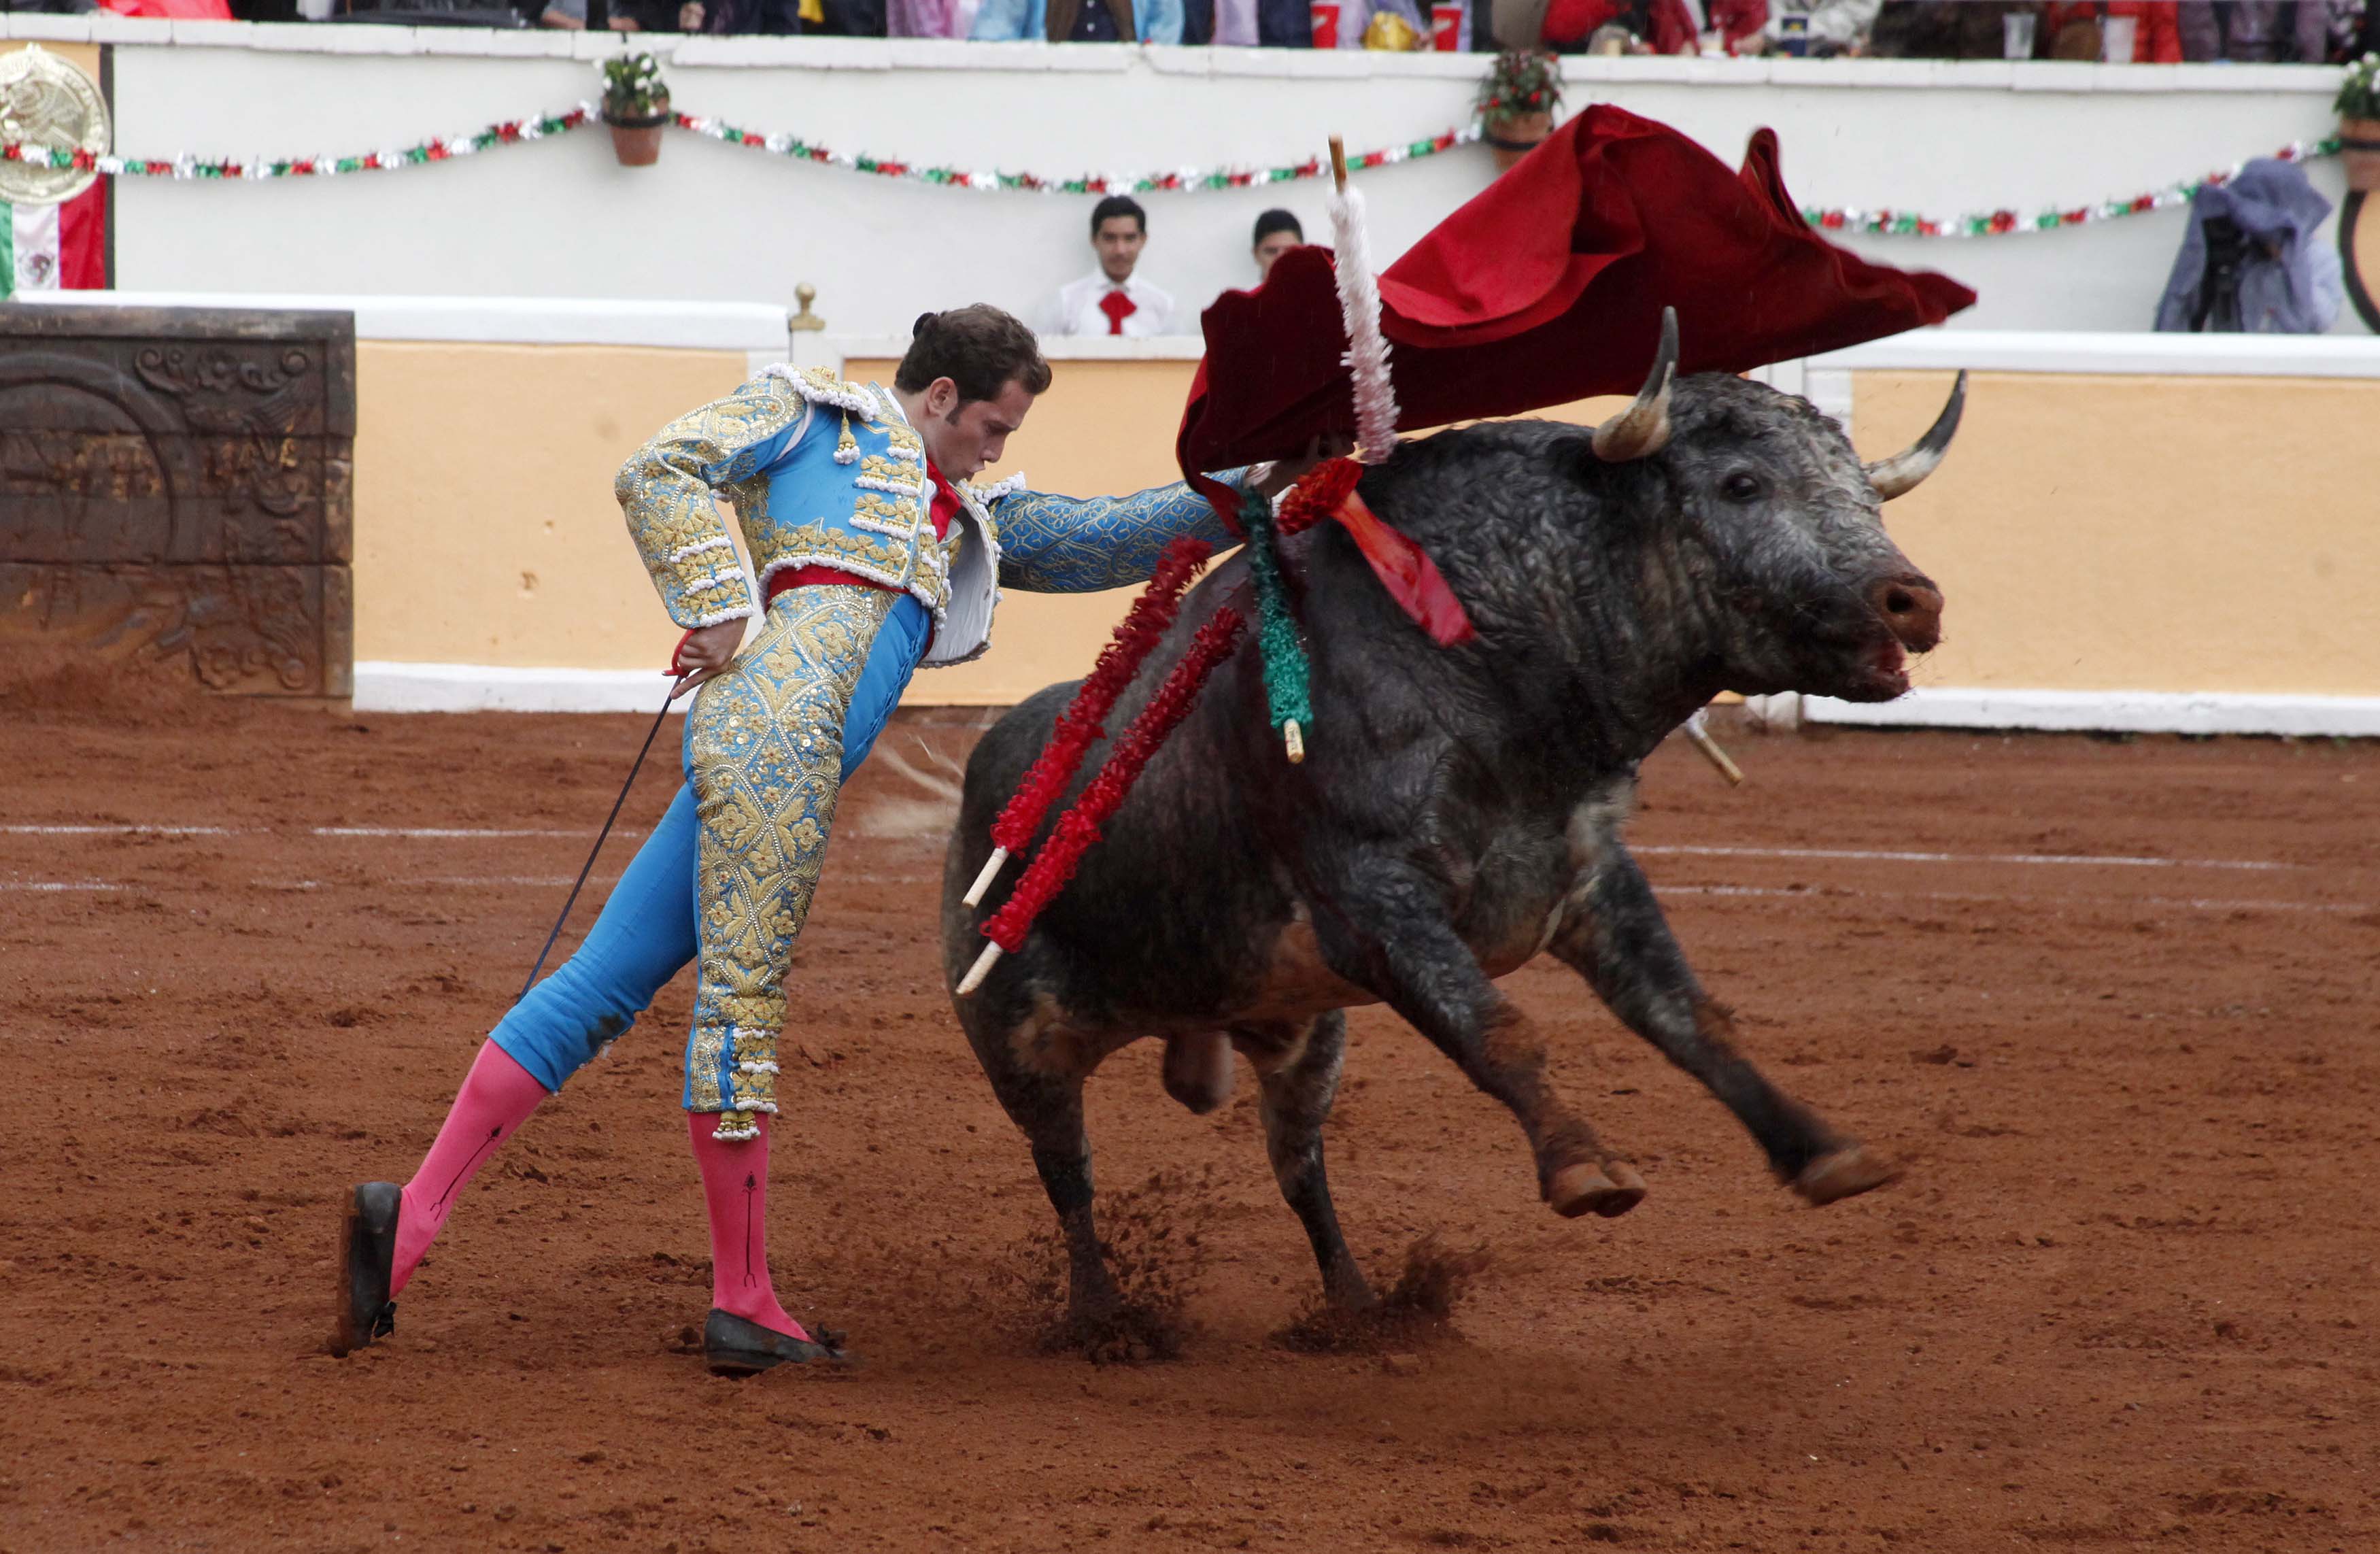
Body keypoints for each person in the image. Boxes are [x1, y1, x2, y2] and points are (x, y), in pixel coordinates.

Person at [337, 307, 1296, 1375]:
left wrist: (1259, 486)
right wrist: (716, 602)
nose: (997, 448)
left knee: (608, 978)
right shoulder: (812, 415)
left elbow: (1108, 535)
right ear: (939, 397)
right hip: (778, 745)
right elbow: (660, 467)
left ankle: (408, 1221)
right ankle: (741, 1301)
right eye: (992, 426)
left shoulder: (963, 510)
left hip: (769, 753)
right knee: (739, 1005)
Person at [2155, 157, 2342, 334]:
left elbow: (2323, 319)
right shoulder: (2239, 247)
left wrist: (2288, 258)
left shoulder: (2319, 255)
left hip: (2291, 361)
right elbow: (2189, 301)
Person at [1042, 196, 1177, 337]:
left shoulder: (1164, 306)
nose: (1120, 250)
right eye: (1110, 238)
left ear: (1143, 240)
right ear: (1094, 239)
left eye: (1129, 238)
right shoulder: (1065, 302)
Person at [1252, 209, 1304, 284]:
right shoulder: (1242, 295)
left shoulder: (1321, 293)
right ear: (1256, 254)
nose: (1280, 259)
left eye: (1290, 251)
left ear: (1304, 253)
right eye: (1272, 251)